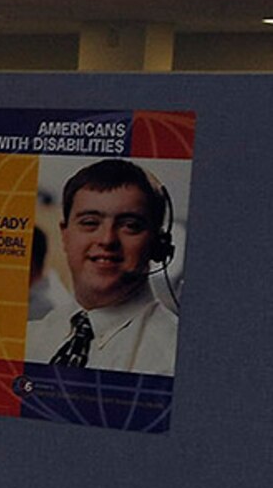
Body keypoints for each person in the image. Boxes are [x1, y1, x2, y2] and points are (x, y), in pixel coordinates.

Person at [25, 158, 179, 375]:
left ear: (158, 243)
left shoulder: (174, 356)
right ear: (65, 235)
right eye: (89, 222)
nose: (107, 240)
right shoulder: (30, 339)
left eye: (130, 226)